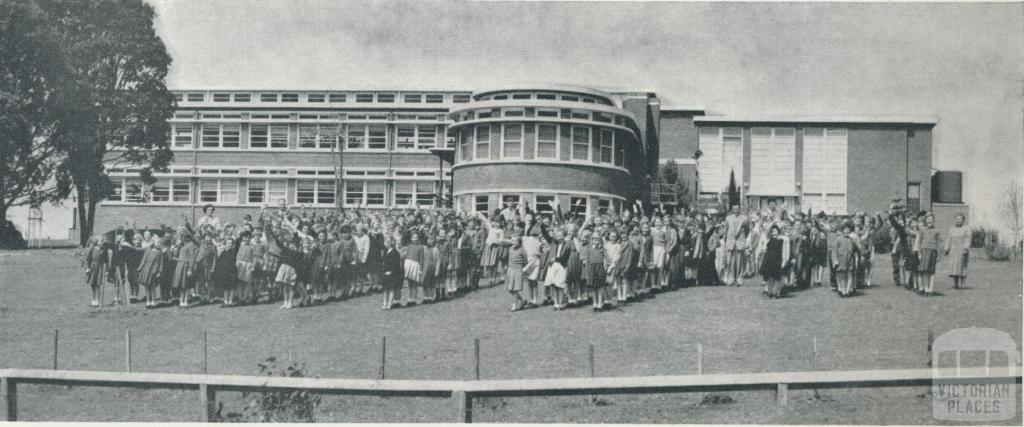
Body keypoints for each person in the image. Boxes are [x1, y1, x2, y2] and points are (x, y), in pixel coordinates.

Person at [915, 213, 942, 296]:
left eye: (931, 219)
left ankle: (931, 289)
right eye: (928, 219)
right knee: (924, 271)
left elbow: (939, 243)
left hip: (933, 251)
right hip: (924, 251)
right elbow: (919, 243)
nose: (929, 221)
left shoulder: (937, 231)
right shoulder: (922, 230)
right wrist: (919, 253)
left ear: (933, 220)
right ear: (925, 221)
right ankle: (926, 288)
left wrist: (939, 255)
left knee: (931, 271)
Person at [760, 225, 789, 299]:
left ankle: (775, 293)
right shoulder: (769, 239)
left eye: (775, 231)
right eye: (772, 231)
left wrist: (784, 261)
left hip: (777, 260)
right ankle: (770, 292)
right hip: (769, 260)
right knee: (769, 278)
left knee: (777, 278)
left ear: (778, 231)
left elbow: (784, 252)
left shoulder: (782, 240)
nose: (774, 232)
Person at [831, 223, 859, 297]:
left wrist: (856, 256)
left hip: (850, 259)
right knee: (842, 275)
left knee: (850, 274)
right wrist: (835, 260)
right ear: (842, 230)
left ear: (850, 230)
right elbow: (834, 250)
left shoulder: (851, 239)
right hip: (841, 259)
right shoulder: (838, 239)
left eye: (848, 230)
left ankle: (847, 291)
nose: (846, 231)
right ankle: (843, 290)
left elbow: (857, 249)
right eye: (845, 230)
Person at [945, 213, 971, 289]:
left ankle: (962, 284)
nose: (958, 221)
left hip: (962, 250)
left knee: (962, 266)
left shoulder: (967, 229)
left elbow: (968, 239)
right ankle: (956, 284)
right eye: (957, 219)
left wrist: (966, 248)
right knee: (954, 267)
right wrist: (947, 248)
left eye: (960, 219)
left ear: (963, 220)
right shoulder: (952, 229)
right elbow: (949, 239)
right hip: (953, 250)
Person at [381, 236, 404, 309]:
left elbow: (396, 264)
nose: (384, 244)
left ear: (390, 243)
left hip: (392, 274)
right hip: (385, 273)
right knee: (385, 289)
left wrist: (391, 271)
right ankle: (385, 303)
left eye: (386, 242)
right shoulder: (386, 251)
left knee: (391, 289)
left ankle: (389, 304)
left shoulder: (395, 252)